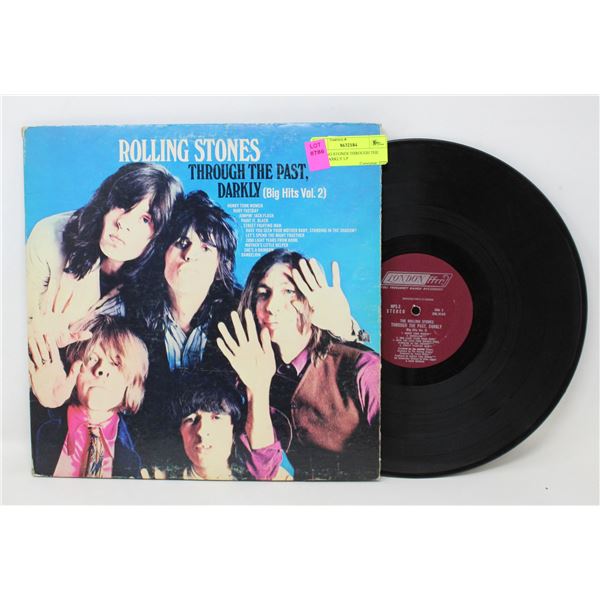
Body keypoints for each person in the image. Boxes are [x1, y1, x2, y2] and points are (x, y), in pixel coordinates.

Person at [216, 249, 380, 481]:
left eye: (288, 291)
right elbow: (264, 470)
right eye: (263, 293)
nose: (271, 306)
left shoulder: (362, 368)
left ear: (310, 301)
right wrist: (257, 391)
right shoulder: (251, 370)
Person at [120, 190, 241, 471]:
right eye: (181, 243)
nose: (189, 255)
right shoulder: (130, 311)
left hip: (221, 468)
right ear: (163, 252)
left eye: (206, 248)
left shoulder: (242, 316)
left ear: (220, 265)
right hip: (147, 463)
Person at [26, 162, 183, 362]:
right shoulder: (50, 236)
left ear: (160, 236)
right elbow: (16, 318)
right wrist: (35, 332)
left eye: (145, 219)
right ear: (106, 203)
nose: (123, 223)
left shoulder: (159, 285)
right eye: (123, 204)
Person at [29, 315, 149, 478]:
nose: (101, 370)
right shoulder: (34, 421)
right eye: (91, 358)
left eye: (116, 363)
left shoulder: (144, 449)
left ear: (132, 380)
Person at [164, 374, 293, 480]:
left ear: (233, 428)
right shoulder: (160, 478)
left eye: (216, 417)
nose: (202, 431)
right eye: (191, 419)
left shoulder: (265, 476)